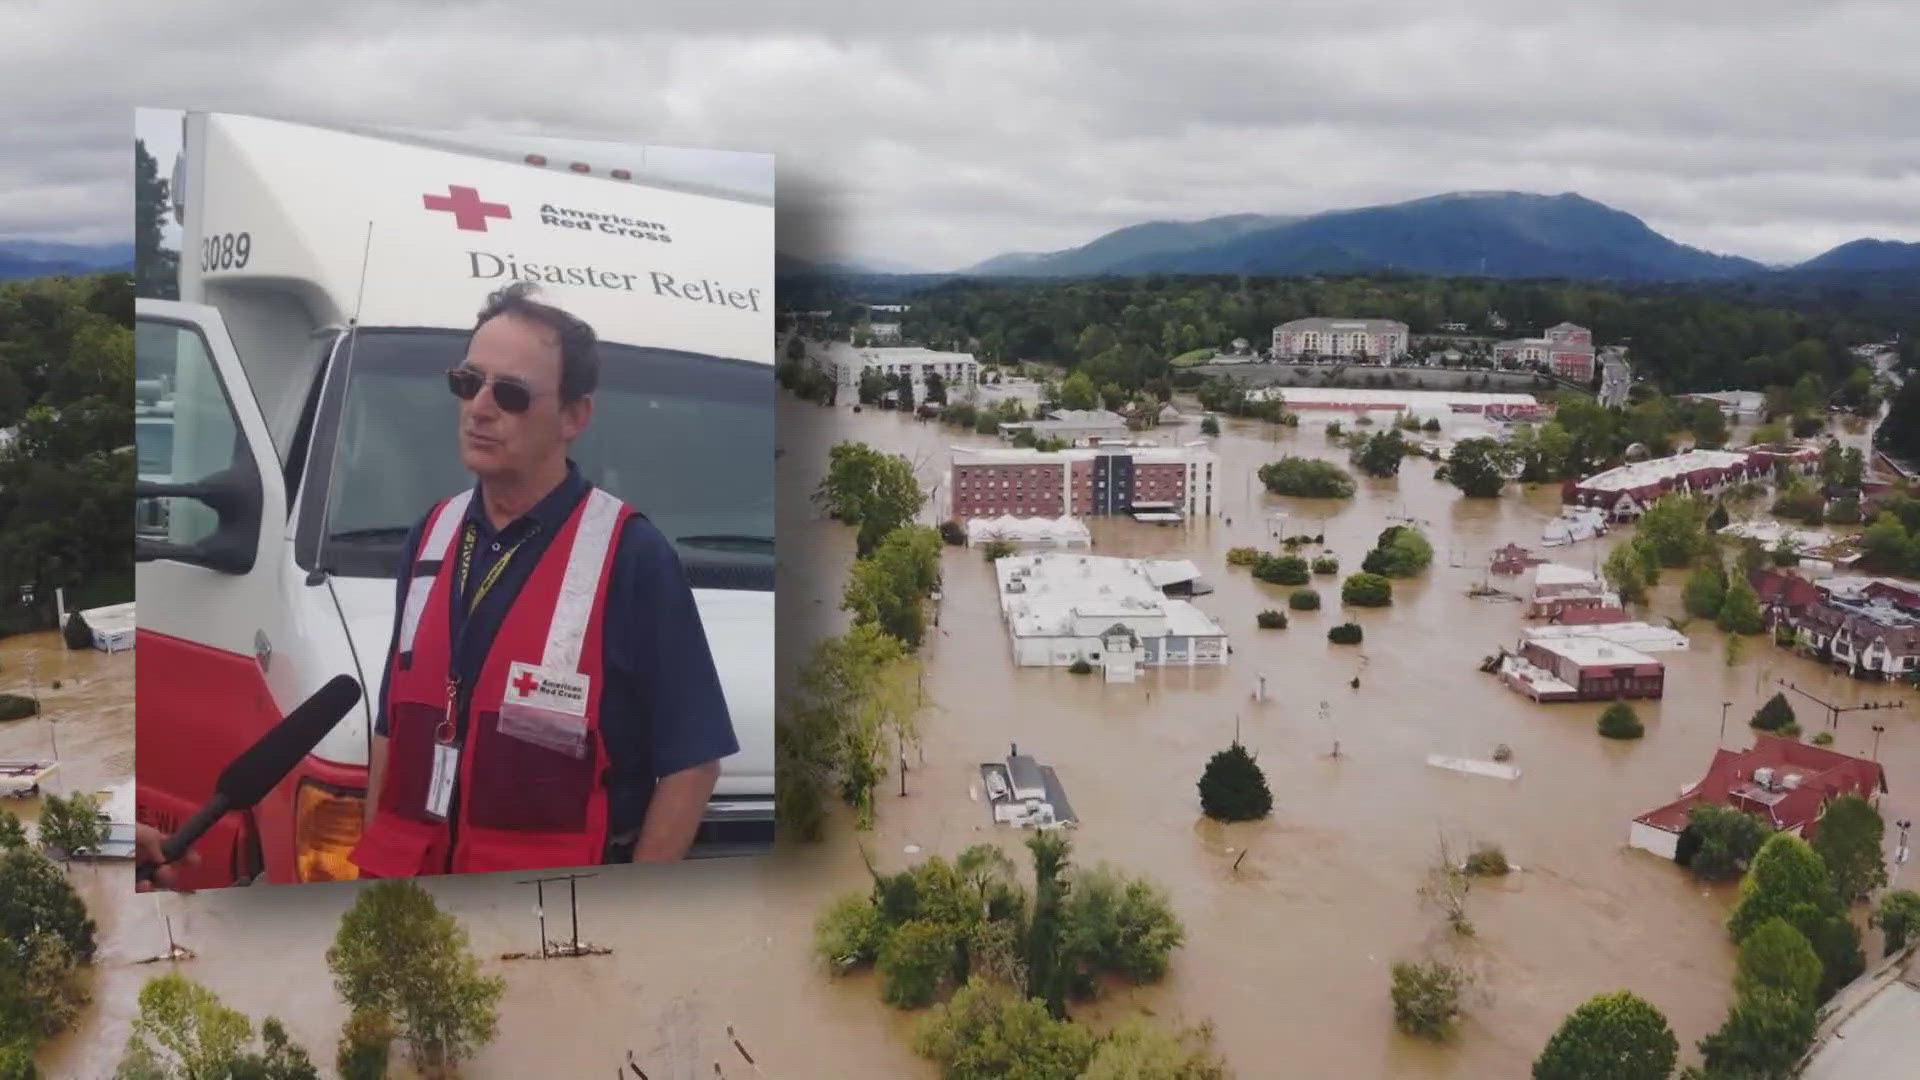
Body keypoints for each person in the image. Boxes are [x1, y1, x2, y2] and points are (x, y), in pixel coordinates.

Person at [350, 283, 737, 877]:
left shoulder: (631, 554)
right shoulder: (430, 535)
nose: (480, 407)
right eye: (467, 382)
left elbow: (693, 763)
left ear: (575, 416)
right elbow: (390, 728)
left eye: (510, 394)